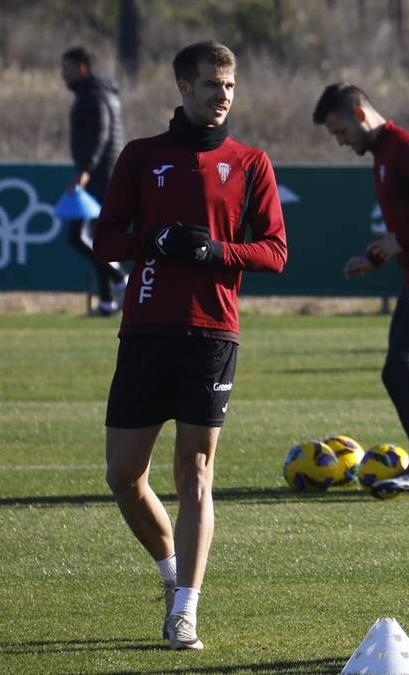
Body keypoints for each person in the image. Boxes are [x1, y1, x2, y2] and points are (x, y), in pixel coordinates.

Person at [94, 41, 287, 651]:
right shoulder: (141, 156)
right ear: (182, 88)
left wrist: (215, 252)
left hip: (212, 334)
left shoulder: (251, 162)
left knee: (195, 473)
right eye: (211, 85)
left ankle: (186, 611)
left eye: (229, 86)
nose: (222, 95)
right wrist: (157, 241)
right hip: (146, 333)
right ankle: (172, 575)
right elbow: (104, 240)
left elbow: (276, 252)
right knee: (124, 476)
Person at [311, 83, 409, 497]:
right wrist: (377, 258)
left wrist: (398, 241)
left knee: (402, 364)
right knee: (394, 368)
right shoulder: (383, 154)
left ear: (360, 115)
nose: (342, 142)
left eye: (341, 131)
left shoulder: (404, 147)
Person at [60, 47, 128, 316]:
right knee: (98, 239)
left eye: (66, 68)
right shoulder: (100, 93)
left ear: (82, 68)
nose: (62, 75)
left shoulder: (94, 96)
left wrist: (85, 170)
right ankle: (108, 301)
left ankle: (121, 279)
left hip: (101, 176)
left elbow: (101, 135)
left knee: (77, 236)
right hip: (105, 174)